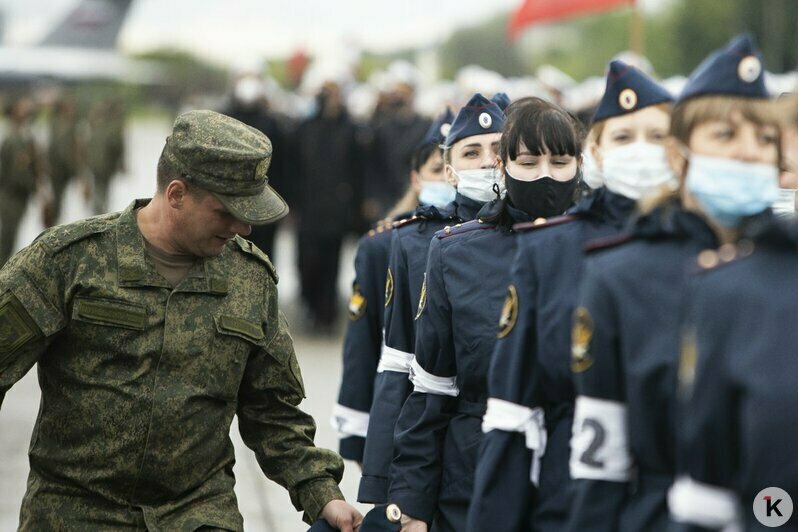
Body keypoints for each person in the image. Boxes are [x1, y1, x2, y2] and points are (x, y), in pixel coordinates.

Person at [0, 110, 362, 531]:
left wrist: (321, 493)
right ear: (176, 194)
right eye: (226, 212)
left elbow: (273, 412)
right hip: (75, 512)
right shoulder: (68, 262)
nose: (243, 227)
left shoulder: (249, 280)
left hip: (196, 514)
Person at [567, 34, 779, 531]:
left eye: (764, 139)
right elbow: (601, 464)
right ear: (680, 160)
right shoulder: (621, 276)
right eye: (726, 136)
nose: (749, 153)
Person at [468, 60, 674, 532]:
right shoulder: (550, 249)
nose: (641, 151)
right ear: (597, 153)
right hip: (571, 496)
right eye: (623, 138)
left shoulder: (712, 251)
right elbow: (512, 409)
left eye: (657, 137)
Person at [388, 96, 581, 532]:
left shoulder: (610, 250)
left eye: (560, 160)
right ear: (504, 165)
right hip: (475, 476)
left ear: (580, 165)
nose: (545, 175)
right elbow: (431, 390)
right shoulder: (455, 252)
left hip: (578, 477)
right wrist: (412, 506)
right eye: (529, 161)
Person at [359, 98, 499, 504]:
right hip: (440, 431)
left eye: (499, 150)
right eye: (472, 152)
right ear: (450, 171)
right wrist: (383, 483)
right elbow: (398, 361)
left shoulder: (536, 235)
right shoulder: (416, 240)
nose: (487, 163)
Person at [332, 109, 456, 466]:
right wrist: (357, 433)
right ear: (416, 179)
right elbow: (363, 342)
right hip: (401, 413)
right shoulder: (382, 246)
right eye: (437, 170)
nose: (448, 180)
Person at [292, 80, 363, 333]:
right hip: (309, 209)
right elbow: (293, 167)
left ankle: (326, 314)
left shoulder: (350, 129)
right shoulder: (304, 128)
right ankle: (310, 305)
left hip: (336, 211)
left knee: (330, 265)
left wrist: (354, 206)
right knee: (307, 263)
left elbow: (357, 171)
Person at [0, 97, 47, 266]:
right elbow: (17, 173)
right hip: (11, 197)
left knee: (10, 240)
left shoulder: (24, 135)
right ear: (14, 114)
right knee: (7, 242)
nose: (28, 112)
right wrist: (35, 189)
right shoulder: (14, 139)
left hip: (16, 197)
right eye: (23, 110)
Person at [48, 94, 84, 224]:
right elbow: (52, 147)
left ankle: (59, 222)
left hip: (69, 168)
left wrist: (79, 170)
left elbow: (77, 147)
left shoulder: (74, 124)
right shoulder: (55, 123)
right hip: (56, 168)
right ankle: (54, 223)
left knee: (64, 197)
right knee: (57, 197)